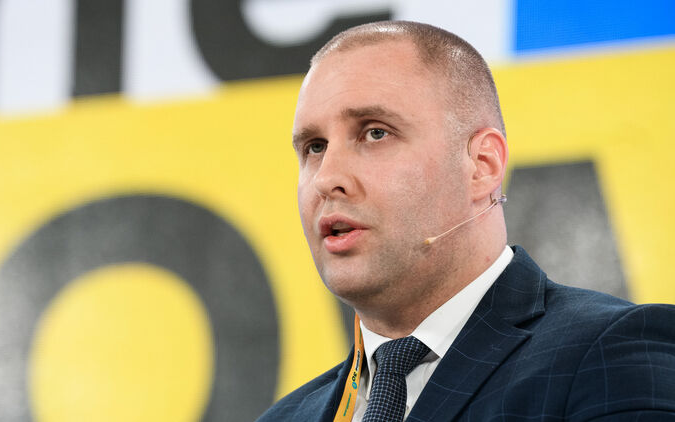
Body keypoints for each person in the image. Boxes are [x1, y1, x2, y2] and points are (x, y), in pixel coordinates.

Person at [256, 20, 675, 422]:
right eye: (314, 147)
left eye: (375, 132)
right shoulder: (284, 418)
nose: (327, 178)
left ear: (482, 165)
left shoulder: (613, 353)